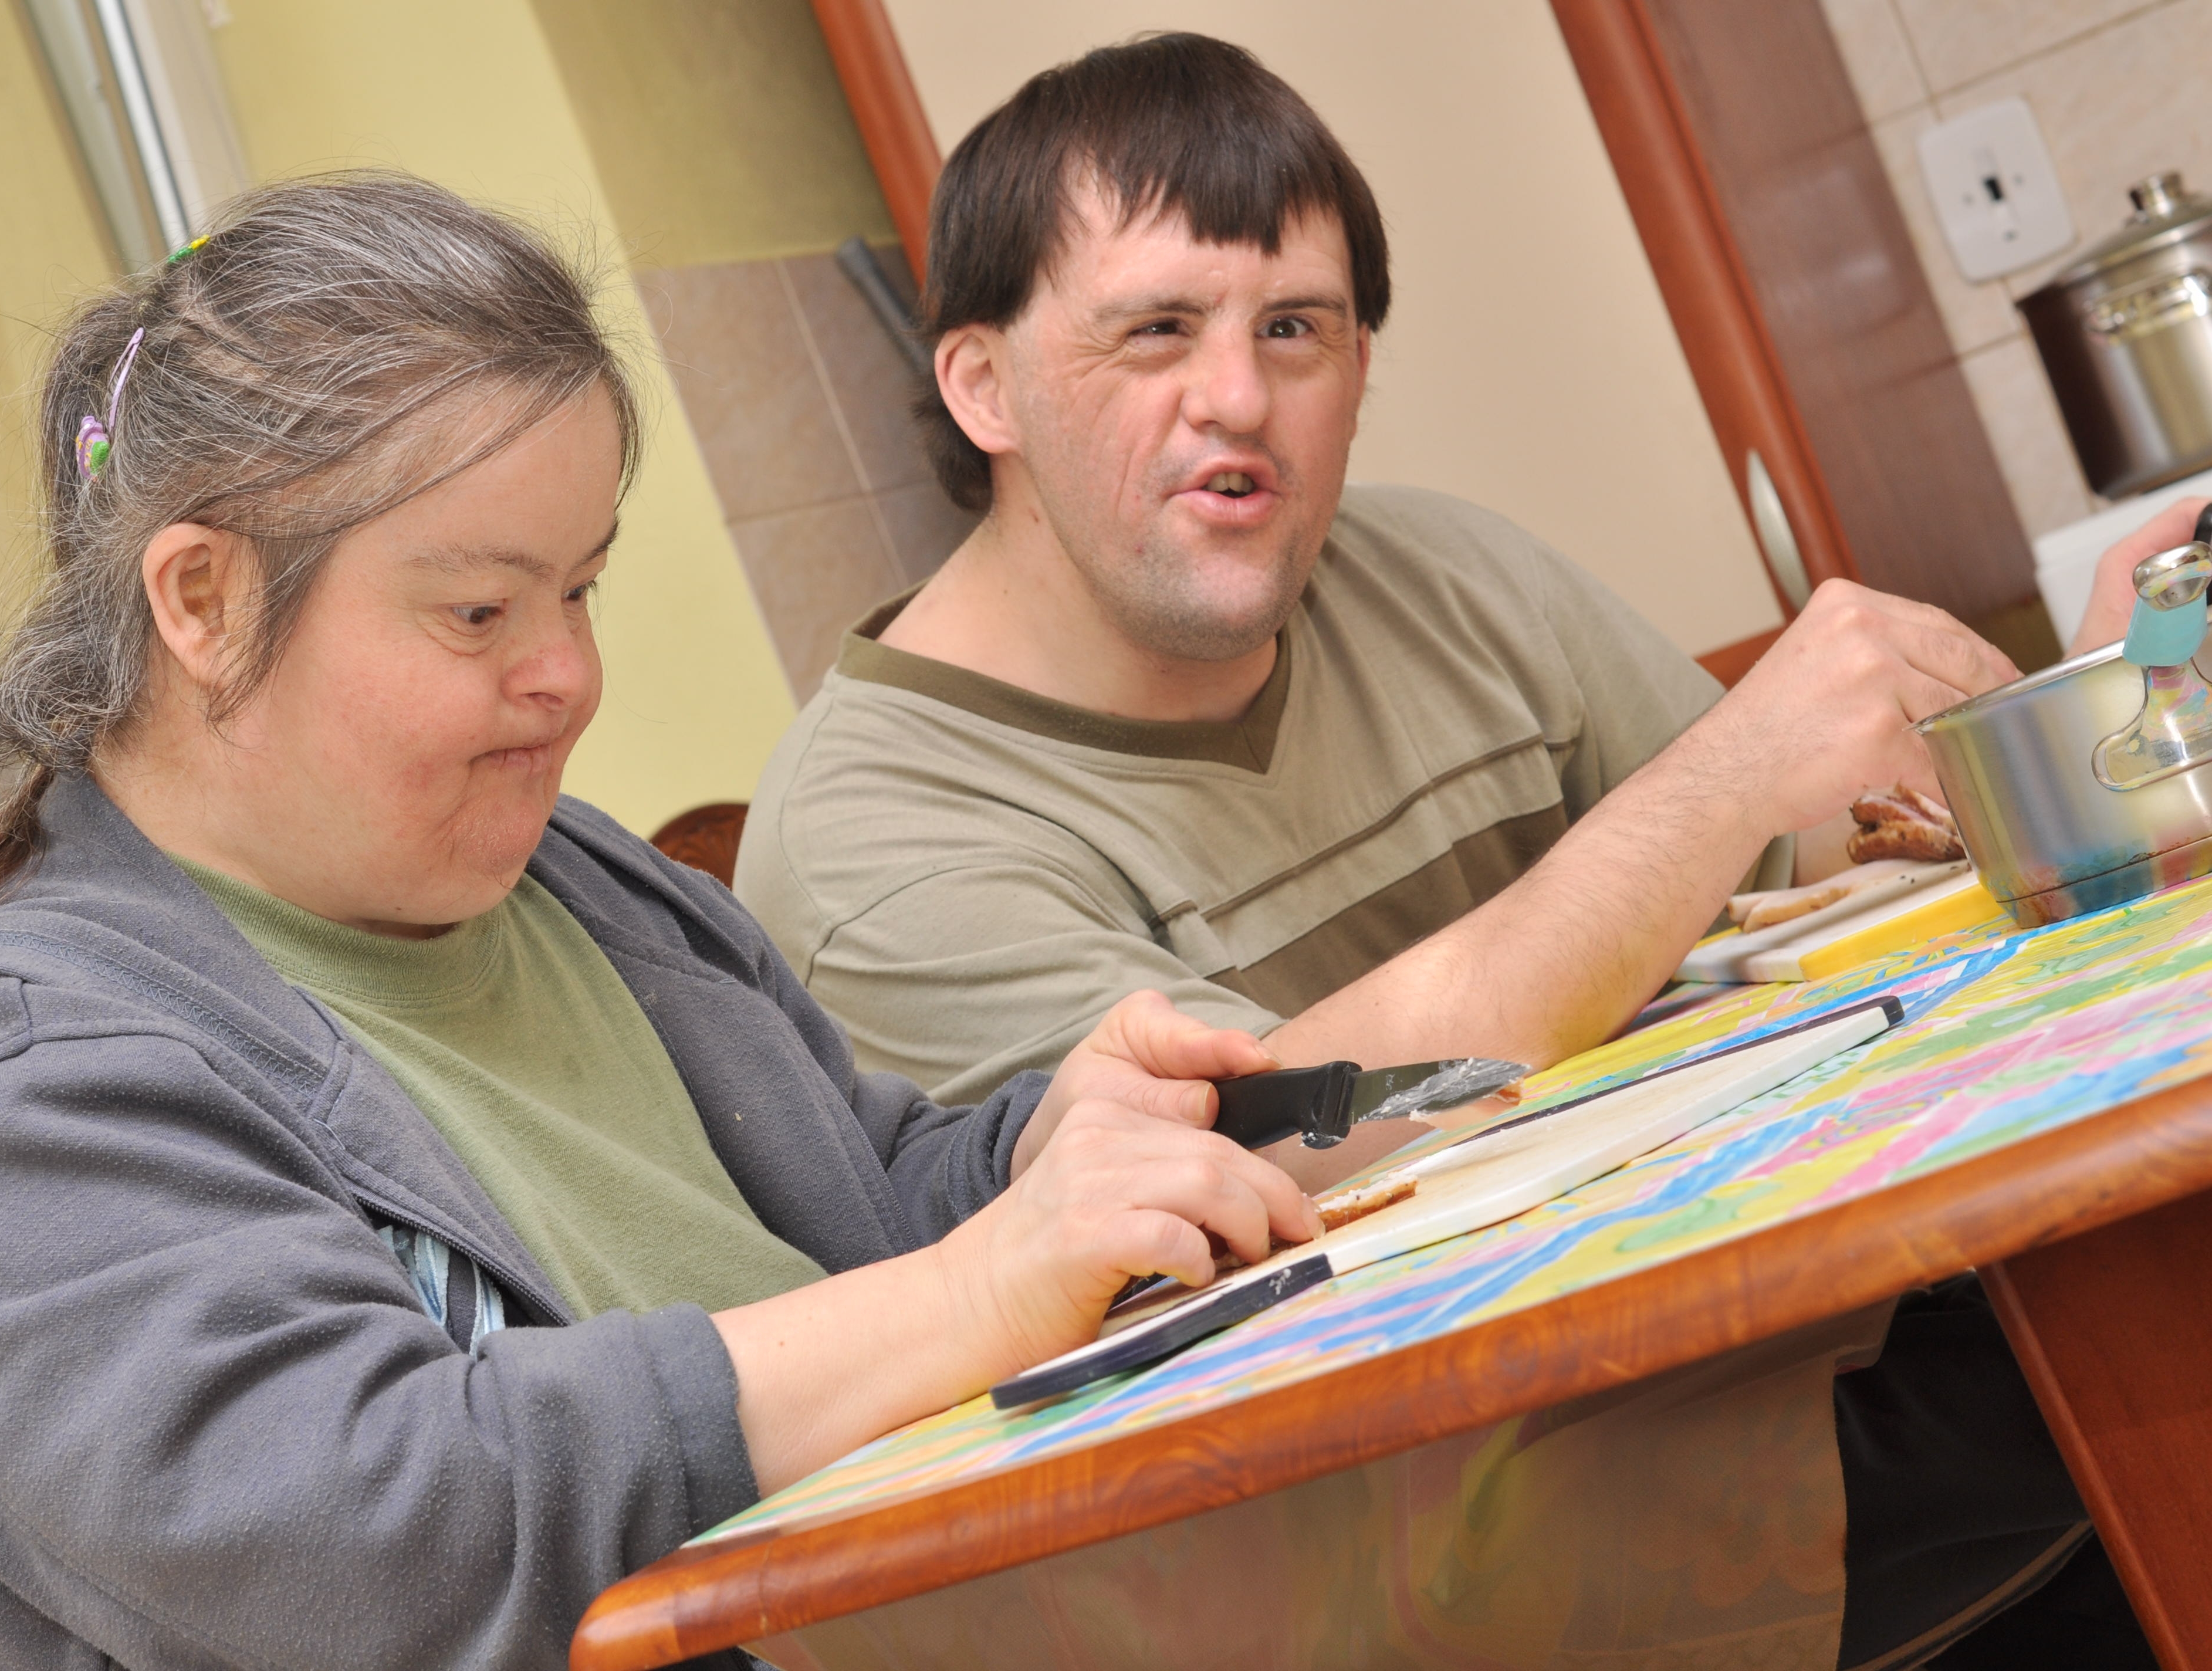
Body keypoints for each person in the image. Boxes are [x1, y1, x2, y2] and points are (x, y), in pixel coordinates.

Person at [733, 35, 2156, 1668]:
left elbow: (1825, 855)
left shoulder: (1442, 573)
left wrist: (2108, 703)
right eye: (1155, 332)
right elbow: (1245, 1157)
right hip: (1411, 1519)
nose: (1239, 399)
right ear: (980, 387)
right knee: (2107, 1362)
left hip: (1752, 1313)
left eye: (1298, 329)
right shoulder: (871, 835)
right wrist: (1729, 768)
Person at [0, 172, 1323, 1670]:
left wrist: (1041, 1157)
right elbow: (391, 1536)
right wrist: (977, 1287)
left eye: (583, 590)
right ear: (204, 599)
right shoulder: (9, 1092)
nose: (566, 677)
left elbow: (854, 1214)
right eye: (479, 611)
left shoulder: (575, 884)